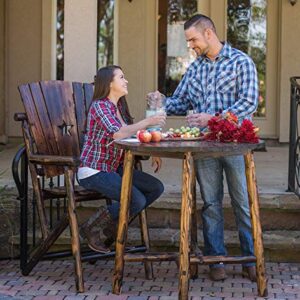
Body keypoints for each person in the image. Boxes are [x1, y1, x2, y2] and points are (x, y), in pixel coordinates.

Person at [148, 14, 258, 282]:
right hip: (203, 145)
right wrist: (161, 101)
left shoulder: (241, 62)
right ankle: (215, 259)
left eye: (193, 39)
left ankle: (251, 258)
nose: (191, 45)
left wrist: (214, 118)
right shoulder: (195, 68)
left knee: (243, 202)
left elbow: (248, 104)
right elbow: (180, 102)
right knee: (210, 203)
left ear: (209, 33)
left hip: (233, 145)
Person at [78, 65, 165, 253]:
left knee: (156, 188)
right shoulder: (100, 106)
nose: (126, 81)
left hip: (113, 168)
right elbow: (118, 133)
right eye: (122, 77)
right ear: (109, 83)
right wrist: (147, 122)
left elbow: (131, 136)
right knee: (137, 200)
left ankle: (112, 228)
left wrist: (154, 148)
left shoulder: (118, 108)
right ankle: (91, 227)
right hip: (94, 170)